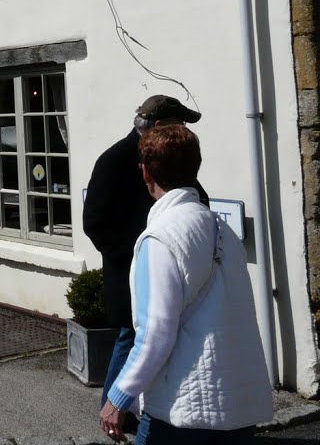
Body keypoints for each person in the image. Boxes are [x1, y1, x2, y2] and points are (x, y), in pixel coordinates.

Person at [98, 125, 272, 443]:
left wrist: (117, 397)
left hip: (182, 411)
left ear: (146, 172)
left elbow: (154, 335)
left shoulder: (161, 238)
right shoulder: (222, 230)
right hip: (237, 405)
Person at [83, 94, 208, 428]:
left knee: (149, 340)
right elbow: (95, 223)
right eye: (178, 124)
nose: (183, 130)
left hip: (164, 268)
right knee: (131, 339)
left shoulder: (170, 158)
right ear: (157, 125)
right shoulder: (115, 159)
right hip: (130, 273)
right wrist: (141, 254)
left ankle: (140, 412)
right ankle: (114, 415)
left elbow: (197, 201)